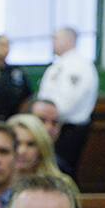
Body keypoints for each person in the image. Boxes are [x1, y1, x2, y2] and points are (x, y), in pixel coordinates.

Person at [37, 27, 97, 177]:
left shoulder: (78, 66)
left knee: (63, 170)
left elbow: (68, 102)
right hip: (51, 125)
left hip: (67, 129)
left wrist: (49, 119)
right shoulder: (60, 64)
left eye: (55, 38)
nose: (52, 43)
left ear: (68, 40)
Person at [8, 113, 67, 179]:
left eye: (31, 144)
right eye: (16, 143)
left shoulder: (60, 184)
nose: (22, 151)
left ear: (42, 148)